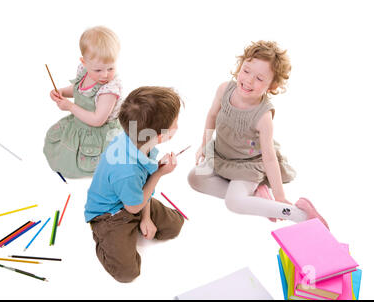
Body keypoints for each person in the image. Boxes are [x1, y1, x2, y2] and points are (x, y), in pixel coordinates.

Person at [188, 40, 328, 228]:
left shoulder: (263, 116)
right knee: (194, 178)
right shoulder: (224, 89)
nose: (248, 81)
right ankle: (256, 197)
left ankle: (299, 214)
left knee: (234, 203)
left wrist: (280, 196)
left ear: (272, 86)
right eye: (246, 71)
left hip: (248, 166)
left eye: (260, 79)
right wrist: (204, 145)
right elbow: (212, 115)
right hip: (221, 157)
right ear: (240, 66)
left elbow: (269, 158)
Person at [84, 86, 185, 283]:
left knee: (175, 225)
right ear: (161, 136)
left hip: (134, 198)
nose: (178, 125)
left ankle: (134, 226)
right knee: (128, 273)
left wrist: (145, 218)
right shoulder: (126, 170)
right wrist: (158, 174)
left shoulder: (136, 139)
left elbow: (140, 191)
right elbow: (133, 205)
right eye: (175, 122)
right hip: (109, 215)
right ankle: (104, 237)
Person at [43, 26, 123, 178]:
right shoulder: (85, 70)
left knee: (92, 163)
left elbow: (97, 120)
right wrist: (62, 92)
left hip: (98, 132)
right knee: (62, 148)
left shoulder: (109, 90)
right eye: (98, 70)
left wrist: (70, 107)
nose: (105, 75)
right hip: (80, 123)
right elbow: (79, 88)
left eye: (111, 68)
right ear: (84, 62)